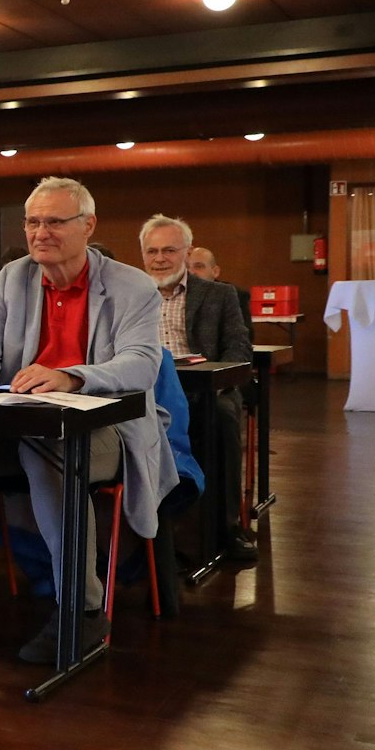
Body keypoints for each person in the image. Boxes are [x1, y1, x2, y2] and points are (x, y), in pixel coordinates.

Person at [0, 177, 174, 664]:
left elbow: (142, 364)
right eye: (33, 222)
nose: (41, 232)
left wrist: (72, 377)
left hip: (106, 429)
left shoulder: (131, 285)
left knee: (52, 449)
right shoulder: (12, 279)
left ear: (87, 226)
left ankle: (83, 608)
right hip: (17, 421)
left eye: (55, 222)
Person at [142, 215, 255, 564]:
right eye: (152, 251)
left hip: (205, 394)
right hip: (145, 394)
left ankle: (226, 528)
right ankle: (148, 539)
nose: (159, 258)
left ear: (187, 253)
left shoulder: (220, 295)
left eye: (169, 250)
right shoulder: (127, 295)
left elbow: (239, 348)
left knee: (221, 420)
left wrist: (218, 385)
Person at [189, 245, 255, 319]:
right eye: (186, 267)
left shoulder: (234, 296)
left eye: (199, 266)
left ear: (215, 272)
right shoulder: (177, 295)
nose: (191, 272)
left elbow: (242, 330)